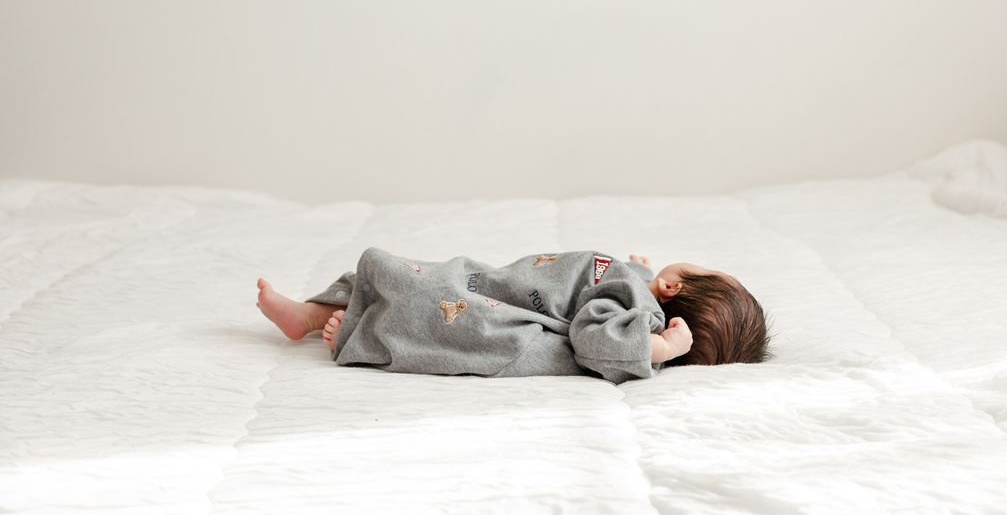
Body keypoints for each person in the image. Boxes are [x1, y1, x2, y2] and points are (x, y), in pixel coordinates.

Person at [256, 248, 770, 384]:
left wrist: (662, 348)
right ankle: (308, 314)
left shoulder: (640, 317)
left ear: (675, 288)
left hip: (506, 311)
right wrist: (641, 272)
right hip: (499, 283)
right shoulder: (639, 290)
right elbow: (611, 289)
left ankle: (347, 328)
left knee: (427, 299)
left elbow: (598, 338)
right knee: (420, 278)